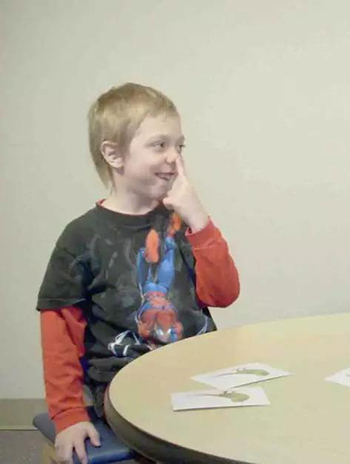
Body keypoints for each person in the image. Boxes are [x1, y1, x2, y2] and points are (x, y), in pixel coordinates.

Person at [37, 83, 240, 464]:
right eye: (159, 145)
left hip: (200, 372)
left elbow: (224, 294)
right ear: (113, 154)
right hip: (129, 384)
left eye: (179, 146)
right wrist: (68, 414)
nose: (174, 158)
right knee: (175, 435)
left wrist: (199, 219)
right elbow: (60, 333)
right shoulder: (81, 237)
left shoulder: (182, 222)